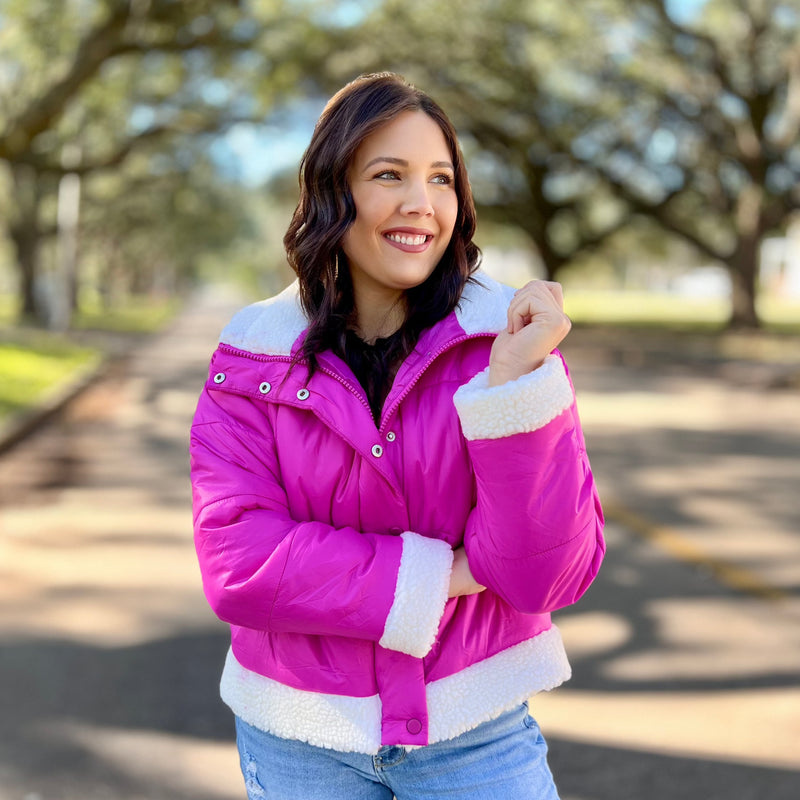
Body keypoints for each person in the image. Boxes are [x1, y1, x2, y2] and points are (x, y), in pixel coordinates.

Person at [190, 72, 605, 800]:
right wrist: (445, 575)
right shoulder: (249, 357)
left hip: (475, 736)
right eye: (390, 175)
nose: (422, 203)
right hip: (300, 742)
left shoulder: (505, 345)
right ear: (331, 192)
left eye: (441, 179)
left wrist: (513, 387)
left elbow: (545, 574)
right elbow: (239, 560)